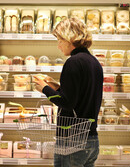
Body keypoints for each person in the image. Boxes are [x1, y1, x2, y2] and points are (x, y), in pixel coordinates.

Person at [33, 17, 103, 167]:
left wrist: (44, 88)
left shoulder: (73, 62)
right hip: (91, 140)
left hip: (72, 141)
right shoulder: (94, 62)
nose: (58, 46)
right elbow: (79, 96)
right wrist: (55, 86)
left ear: (69, 38)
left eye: (60, 40)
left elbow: (67, 103)